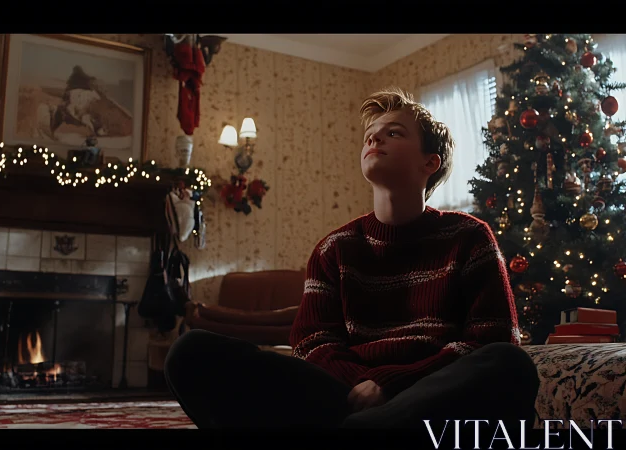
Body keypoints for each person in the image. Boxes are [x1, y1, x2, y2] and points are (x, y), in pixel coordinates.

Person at [163, 87, 540, 429]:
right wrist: (364, 384)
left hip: (426, 393)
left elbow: (491, 339)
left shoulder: (470, 237)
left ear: (430, 163)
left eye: (394, 132)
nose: (374, 138)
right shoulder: (335, 248)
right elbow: (312, 345)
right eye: (369, 135)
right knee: (191, 352)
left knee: (508, 364)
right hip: (343, 393)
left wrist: (390, 384)